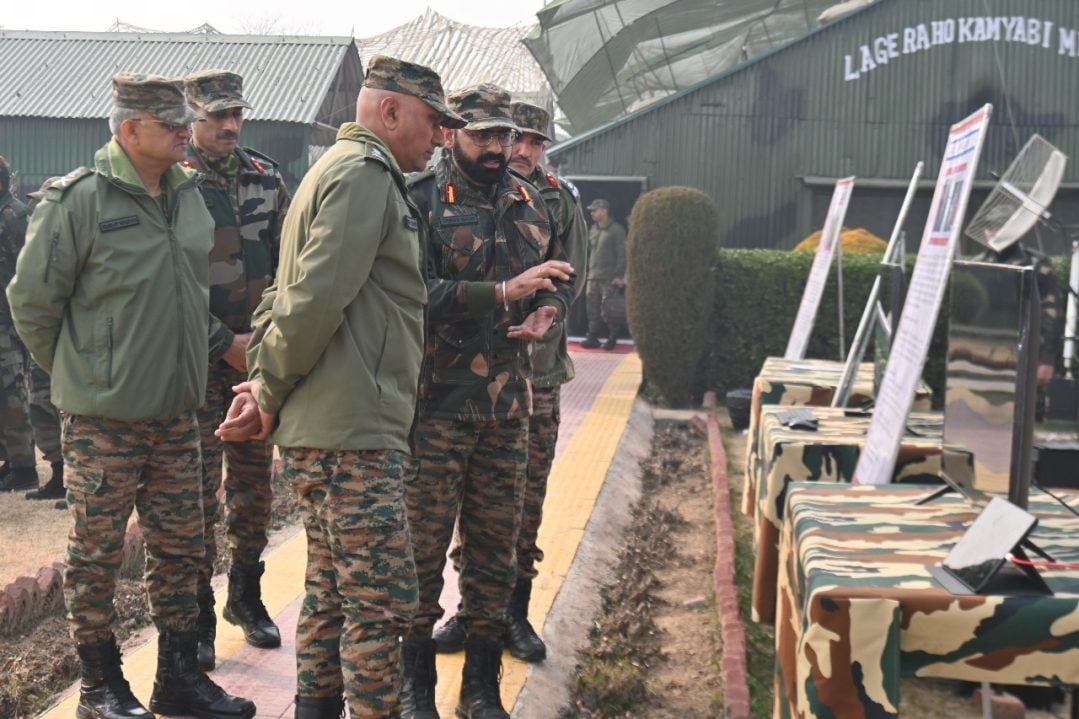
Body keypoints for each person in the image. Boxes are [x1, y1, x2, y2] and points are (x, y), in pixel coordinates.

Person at [215, 55, 465, 718]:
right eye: (433, 122)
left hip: (338, 425)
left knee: (330, 592)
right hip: (350, 432)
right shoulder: (364, 177)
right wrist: (267, 388)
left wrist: (266, 378)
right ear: (390, 111)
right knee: (381, 601)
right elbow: (311, 299)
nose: (442, 138)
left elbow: (280, 293)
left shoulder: (335, 169)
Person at [7, 72, 255, 719]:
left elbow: (181, 299)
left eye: (184, 124)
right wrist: (82, 375)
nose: (184, 134)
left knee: (181, 549)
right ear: (128, 130)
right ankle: (99, 684)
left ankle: (176, 676)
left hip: (178, 411)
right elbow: (31, 304)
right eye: (171, 126)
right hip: (103, 419)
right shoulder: (77, 202)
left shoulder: (188, 198)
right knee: (97, 553)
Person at [402, 83, 575, 719]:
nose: (500, 147)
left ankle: (480, 688)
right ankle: (414, 688)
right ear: (452, 134)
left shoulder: (533, 200)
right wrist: (501, 293)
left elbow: (559, 275)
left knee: (494, 554)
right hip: (436, 407)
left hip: (509, 409)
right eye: (485, 135)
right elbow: (408, 292)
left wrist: (548, 311)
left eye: (507, 135)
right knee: (420, 554)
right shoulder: (420, 200)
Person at [432, 100, 588, 663]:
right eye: (509, 139)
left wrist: (549, 307)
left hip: (533, 379)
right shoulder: (434, 193)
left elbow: (568, 278)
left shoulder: (552, 200)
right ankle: (468, 614)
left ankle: (510, 615)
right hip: (453, 384)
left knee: (518, 507)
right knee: (455, 511)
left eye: (531, 142)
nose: (518, 151)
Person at [183, 68, 291, 671]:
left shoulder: (266, 177)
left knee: (253, 485)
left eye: (235, 115)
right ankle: (198, 614)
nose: (228, 125)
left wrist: (265, 340)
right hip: (199, 363)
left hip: (256, 359)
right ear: (192, 117)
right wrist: (223, 340)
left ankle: (245, 597)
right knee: (196, 492)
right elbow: (167, 282)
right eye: (215, 115)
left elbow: (288, 265)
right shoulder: (174, 182)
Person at [977, 210, 1064, 388]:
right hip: (981, 354)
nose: (993, 232)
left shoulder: (1036, 264)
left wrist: (1046, 359)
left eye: (1000, 226)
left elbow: (1053, 313)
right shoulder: (977, 265)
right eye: (990, 227)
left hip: (1024, 355)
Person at [22, 177, 66, 504]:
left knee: (65, 411)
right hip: (45, 342)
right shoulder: (38, 240)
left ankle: (72, 480)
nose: (37, 206)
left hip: (69, 345)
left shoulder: (72, 241)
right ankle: (58, 471)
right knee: (40, 404)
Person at [0, 155, 38, 493]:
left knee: (10, 392)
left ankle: (25, 467)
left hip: (9, 322)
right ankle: (11, 460)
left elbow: (28, 271)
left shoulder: (14, 216)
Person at [581, 198, 627, 350]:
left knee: (609, 309)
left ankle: (612, 337)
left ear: (604, 211)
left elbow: (622, 254)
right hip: (593, 276)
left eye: (595, 210)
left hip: (609, 278)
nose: (592, 213)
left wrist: (619, 276)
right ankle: (592, 336)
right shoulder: (593, 229)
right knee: (592, 308)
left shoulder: (617, 230)